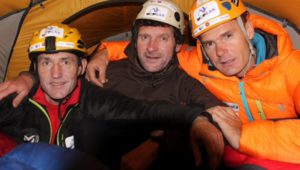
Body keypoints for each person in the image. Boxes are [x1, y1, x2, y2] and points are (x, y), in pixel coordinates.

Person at [79, 0, 300, 169]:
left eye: (228, 36)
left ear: (249, 30)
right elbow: (150, 52)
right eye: (210, 43)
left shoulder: (294, 68)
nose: (221, 52)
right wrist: (104, 52)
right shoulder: (199, 62)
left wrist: (242, 134)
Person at [0, 23, 224, 169]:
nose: (56, 74)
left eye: (65, 62)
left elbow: (146, 110)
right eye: (46, 63)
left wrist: (195, 118)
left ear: (81, 67)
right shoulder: (17, 99)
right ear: (36, 69)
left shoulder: (96, 99)